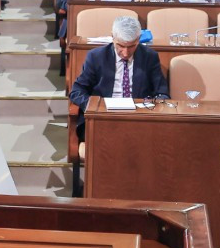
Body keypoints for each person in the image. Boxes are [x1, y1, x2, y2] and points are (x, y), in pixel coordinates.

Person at [68, 15, 169, 153]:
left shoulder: (149, 57)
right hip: (103, 118)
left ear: (139, 39)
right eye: (121, 46)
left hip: (138, 119)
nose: (126, 53)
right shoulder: (96, 57)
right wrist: (95, 107)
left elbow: (162, 93)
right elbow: (77, 91)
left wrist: (152, 107)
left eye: (132, 46)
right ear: (112, 38)